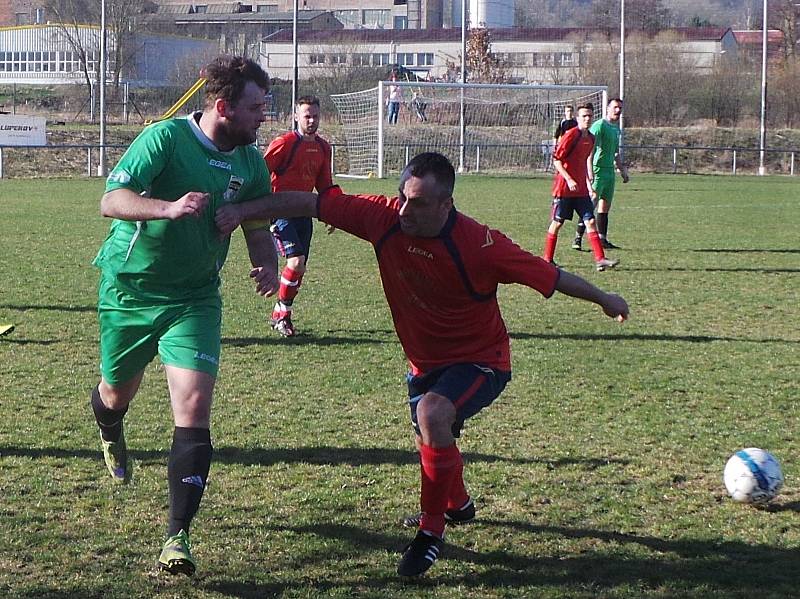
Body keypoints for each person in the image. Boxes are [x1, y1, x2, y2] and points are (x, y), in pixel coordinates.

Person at [214, 151, 629, 578]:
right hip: (423, 360)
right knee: (432, 434)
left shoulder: (482, 245)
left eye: (417, 202)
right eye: (402, 197)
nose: (405, 210)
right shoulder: (384, 217)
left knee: (433, 414)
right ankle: (458, 504)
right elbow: (306, 203)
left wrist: (605, 299)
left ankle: (431, 532)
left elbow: (552, 276)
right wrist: (243, 210)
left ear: (446, 204)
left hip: (482, 360)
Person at [89, 55, 304, 577]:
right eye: (255, 107)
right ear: (224, 106)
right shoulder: (164, 139)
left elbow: (255, 222)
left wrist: (266, 262)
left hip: (195, 298)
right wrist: (165, 207)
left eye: (266, 106)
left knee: (194, 404)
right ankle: (111, 430)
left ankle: (176, 537)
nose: (263, 116)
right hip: (131, 290)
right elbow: (110, 199)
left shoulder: (251, 162)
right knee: (117, 391)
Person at [264, 95, 337, 336]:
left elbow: (325, 184)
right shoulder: (284, 143)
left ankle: (280, 311)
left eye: (315, 116)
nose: (312, 120)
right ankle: (283, 315)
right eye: (307, 115)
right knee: (295, 262)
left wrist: (333, 212)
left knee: (300, 267)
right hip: (280, 213)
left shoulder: (323, 148)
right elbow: (261, 172)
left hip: (304, 213)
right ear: (296, 116)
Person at [543, 103, 619, 272]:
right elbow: (556, 160)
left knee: (590, 221)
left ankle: (600, 259)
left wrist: (588, 185)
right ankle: (547, 260)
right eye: (584, 116)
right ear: (578, 118)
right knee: (557, 223)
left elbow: (583, 163)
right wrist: (569, 179)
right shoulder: (571, 135)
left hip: (581, 191)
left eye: (590, 116)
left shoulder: (591, 138)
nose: (587, 119)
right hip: (564, 189)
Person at [573, 97, 629, 251]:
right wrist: (589, 171)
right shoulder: (599, 126)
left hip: (609, 172)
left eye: (620, 108)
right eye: (615, 107)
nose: (618, 110)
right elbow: (589, 150)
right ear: (607, 109)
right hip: (597, 170)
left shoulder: (615, 128)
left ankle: (603, 239)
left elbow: (615, 152)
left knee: (604, 206)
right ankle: (577, 238)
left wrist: (622, 170)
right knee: (590, 204)